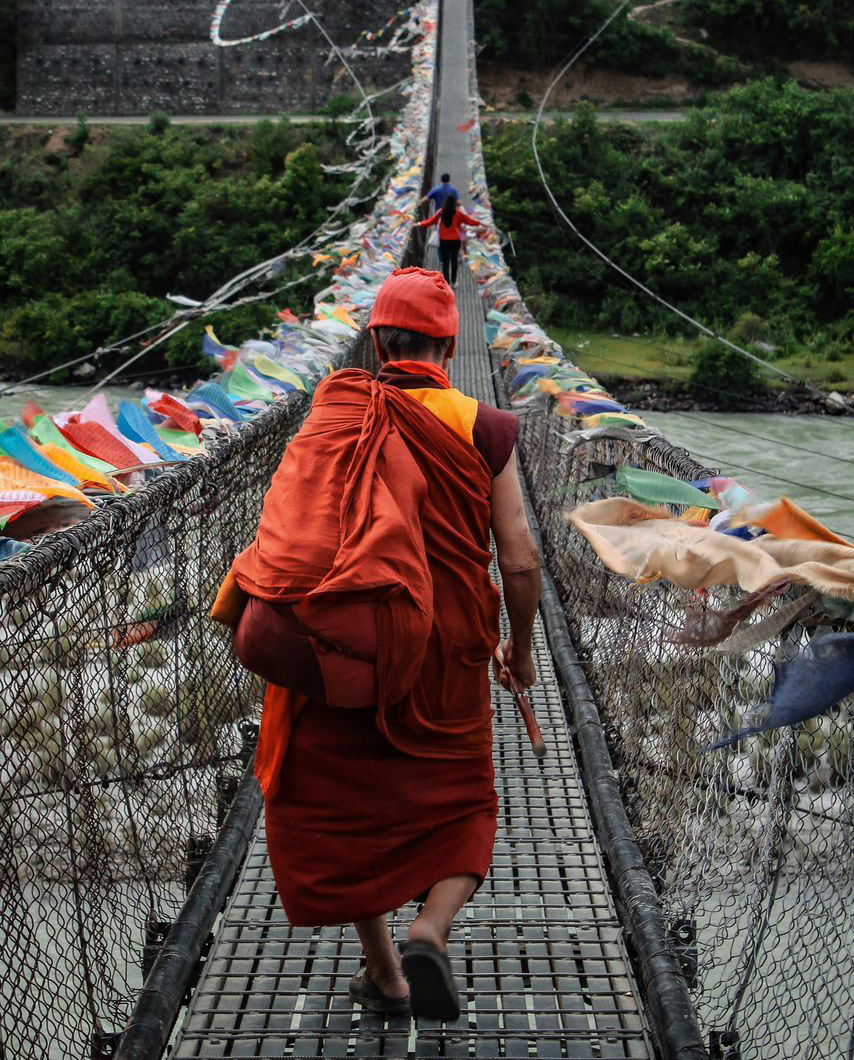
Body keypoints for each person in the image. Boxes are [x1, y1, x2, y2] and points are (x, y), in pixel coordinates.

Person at [212, 267, 541, 1022]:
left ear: (374, 338)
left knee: (346, 805)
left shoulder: (337, 413)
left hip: (343, 642)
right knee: (465, 803)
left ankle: (388, 975)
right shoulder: (485, 426)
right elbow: (519, 558)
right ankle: (432, 928)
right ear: (451, 345)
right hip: (448, 650)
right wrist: (521, 652)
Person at [417, 195, 482, 286]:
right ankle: (454, 281)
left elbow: (431, 221)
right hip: (455, 240)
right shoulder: (458, 213)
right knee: (454, 261)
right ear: (455, 203)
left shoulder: (441, 212)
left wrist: (419, 223)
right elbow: (470, 221)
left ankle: (447, 282)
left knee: (446, 262)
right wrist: (481, 223)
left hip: (444, 240)